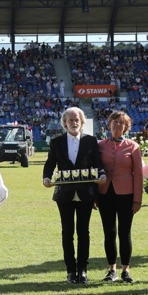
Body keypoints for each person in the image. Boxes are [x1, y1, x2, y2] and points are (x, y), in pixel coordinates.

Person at [43, 107, 106, 284]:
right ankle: (71, 271)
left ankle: (83, 271)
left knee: (83, 233)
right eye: (70, 120)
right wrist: (46, 177)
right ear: (65, 123)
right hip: (64, 194)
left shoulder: (91, 141)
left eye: (77, 119)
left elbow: (98, 163)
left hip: (86, 193)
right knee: (67, 232)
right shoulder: (56, 142)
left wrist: (101, 175)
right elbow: (50, 164)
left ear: (82, 122)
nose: (74, 123)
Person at [96, 111, 142, 283]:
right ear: (109, 124)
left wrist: (137, 199)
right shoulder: (100, 146)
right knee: (109, 232)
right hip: (105, 194)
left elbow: (138, 174)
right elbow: (95, 171)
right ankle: (111, 270)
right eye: (114, 122)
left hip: (127, 195)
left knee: (125, 232)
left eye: (121, 123)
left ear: (126, 127)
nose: (117, 125)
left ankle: (125, 270)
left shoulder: (133, 147)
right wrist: (94, 196)